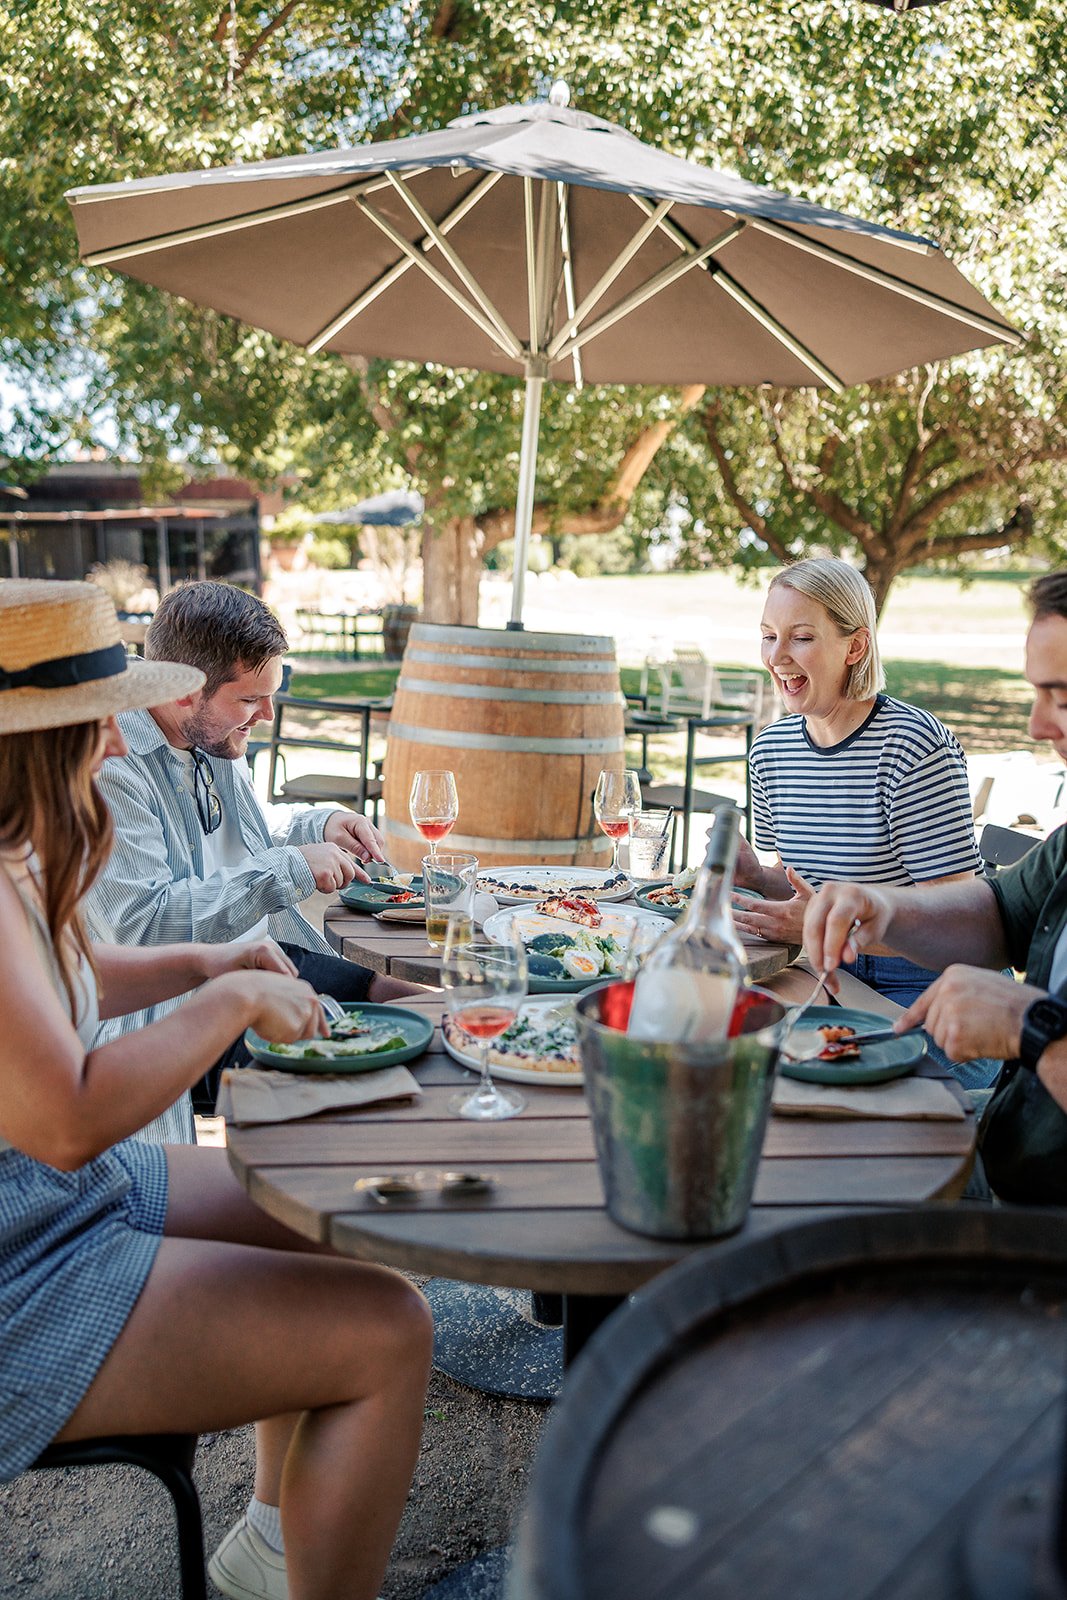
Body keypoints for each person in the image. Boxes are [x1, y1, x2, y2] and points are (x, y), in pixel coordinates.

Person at [0, 579, 432, 1600]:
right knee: (391, 1328)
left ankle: (272, 1547)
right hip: (20, 1258)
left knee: (331, 1203)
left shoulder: (17, 852)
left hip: (44, 1199)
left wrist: (201, 967)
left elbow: (71, 980)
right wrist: (229, 1000)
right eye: (97, 719)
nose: (115, 744)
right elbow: (64, 1119)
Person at [88, 580, 416, 1140]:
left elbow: (248, 830)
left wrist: (319, 825)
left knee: (410, 1002)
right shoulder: (115, 769)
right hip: (177, 1000)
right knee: (381, 1068)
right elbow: (143, 927)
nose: (267, 713)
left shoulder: (211, 738)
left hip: (251, 953)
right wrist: (287, 870)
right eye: (249, 699)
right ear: (183, 692)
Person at [802, 568, 1067, 1204]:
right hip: (1005, 1131)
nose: (1035, 726)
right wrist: (883, 907)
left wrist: (1029, 1026)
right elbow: (998, 913)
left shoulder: (913, 742)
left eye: (1061, 697)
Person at [727, 559, 987, 1072]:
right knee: (719, 1042)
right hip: (831, 983)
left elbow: (961, 919)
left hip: (933, 1003)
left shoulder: (912, 747)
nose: (777, 657)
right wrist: (758, 876)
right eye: (768, 636)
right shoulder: (771, 751)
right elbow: (808, 890)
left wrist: (829, 930)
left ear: (855, 646)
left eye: (800, 638)